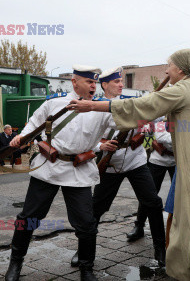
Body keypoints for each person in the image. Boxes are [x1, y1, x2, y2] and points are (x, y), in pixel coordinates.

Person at [68, 49, 190, 281]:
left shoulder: (183, 89)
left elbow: (144, 106)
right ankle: (187, 270)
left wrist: (91, 106)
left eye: (169, 65)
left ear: (181, 70)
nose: (166, 70)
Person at [4, 65, 112, 281]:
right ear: (75, 82)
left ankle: (86, 268)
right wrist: (20, 138)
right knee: (29, 218)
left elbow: (126, 119)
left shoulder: (101, 109)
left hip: (79, 170)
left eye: (95, 82)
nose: (93, 86)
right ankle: (15, 262)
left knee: (86, 223)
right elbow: (34, 123)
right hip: (49, 167)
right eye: (89, 82)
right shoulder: (54, 103)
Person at [70, 67, 166, 267]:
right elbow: (82, 134)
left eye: (122, 81)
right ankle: (83, 250)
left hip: (136, 160)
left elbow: (157, 119)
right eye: (116, 82)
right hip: (110, 164)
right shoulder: (93, 106)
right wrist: (99, 146)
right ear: (104, 85)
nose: (121, 84)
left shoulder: (134, 104)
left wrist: (152, 115)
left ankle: (160, 249)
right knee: (96, 209)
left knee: (153, 202)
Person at [126, 118, 176, 242]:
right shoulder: (161, 117)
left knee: (179, 195)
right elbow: (159, 136)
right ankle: (139, 225)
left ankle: (177, 229)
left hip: (178, 160)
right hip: (157, 159)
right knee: (148, 195)